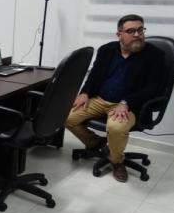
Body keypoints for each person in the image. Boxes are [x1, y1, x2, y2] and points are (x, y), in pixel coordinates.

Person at [65, 14, 165, 182]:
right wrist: (85, 93)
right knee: (67, 117)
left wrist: (126, 102)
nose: (137, 34)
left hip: (130, 105)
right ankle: (98, 144)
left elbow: (153, 88)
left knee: (116, 128)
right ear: (119, 34)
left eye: (140, 30)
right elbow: (94, 76)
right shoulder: (106, 50)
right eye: (131, 31)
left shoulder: (155, 55)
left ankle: (117, 161)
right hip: (100, 99)